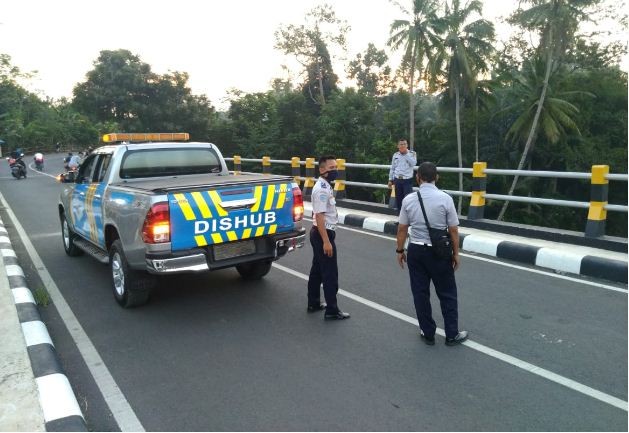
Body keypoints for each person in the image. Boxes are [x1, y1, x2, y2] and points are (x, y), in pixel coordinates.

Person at [395, 161, 468, 346]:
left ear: (418, 178)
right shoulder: (446, 199)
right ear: (437, 177)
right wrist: (456, 254)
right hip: (440, 252)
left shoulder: (408, 200)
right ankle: (452, 334)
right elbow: (453, 230)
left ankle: (428, 333)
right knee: (447, 293)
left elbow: (402, 228)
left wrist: (399, 250)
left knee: (420, 293)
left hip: (416, 251)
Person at [307, 155, 350, 320]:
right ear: (322, 169)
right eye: (331, 168)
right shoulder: (321, 190)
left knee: (317, 270)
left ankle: (314, 303)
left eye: (335, 167)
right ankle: (332, 310)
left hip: (320, 233)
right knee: (330, 274)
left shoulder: (326, 186)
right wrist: (326, 242)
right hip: (322, 233)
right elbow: (319, 216)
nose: (335, 171)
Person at [388, 139, 417, 213]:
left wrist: (406, 154)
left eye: (404, 144)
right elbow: (392, 168)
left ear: (407, 145)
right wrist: (390, 180)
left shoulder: (412, 153)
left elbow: (413, 163)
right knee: (398, 200)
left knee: (408, 200)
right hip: (397, 180)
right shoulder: (395, 155)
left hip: (407, 180)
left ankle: (408, 219)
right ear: (398, 146)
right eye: (401, 144)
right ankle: (400, 219)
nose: (403, 145)